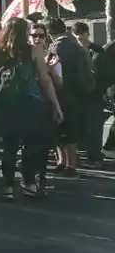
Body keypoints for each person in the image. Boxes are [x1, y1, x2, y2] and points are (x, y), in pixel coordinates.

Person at [0, 18, 63, 199]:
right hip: (29, 102)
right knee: (30, 145)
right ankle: (29, 183)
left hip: (3, 104)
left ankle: (8, 187)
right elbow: (44, 79)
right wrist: (56, 105)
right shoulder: (33, 50)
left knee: (9, 146)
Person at [46, 17, 93, 179]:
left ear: (50, 32)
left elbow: (57, 72)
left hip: (62, 93)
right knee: (68, 129)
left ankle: (66, 163)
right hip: (76, 93)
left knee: (63, 129)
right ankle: (67, 163)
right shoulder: (75, 45)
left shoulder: (56, 47)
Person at [71, 22, 107, 168]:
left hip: (94, 95)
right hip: (79, 95)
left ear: (87, 34)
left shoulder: (97, 51)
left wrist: (86, 51)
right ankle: (84, 154)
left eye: (83, 36)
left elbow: (99, 72)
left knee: (93, 127)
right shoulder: (73, 52)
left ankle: (95, 156)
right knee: (81, 127)